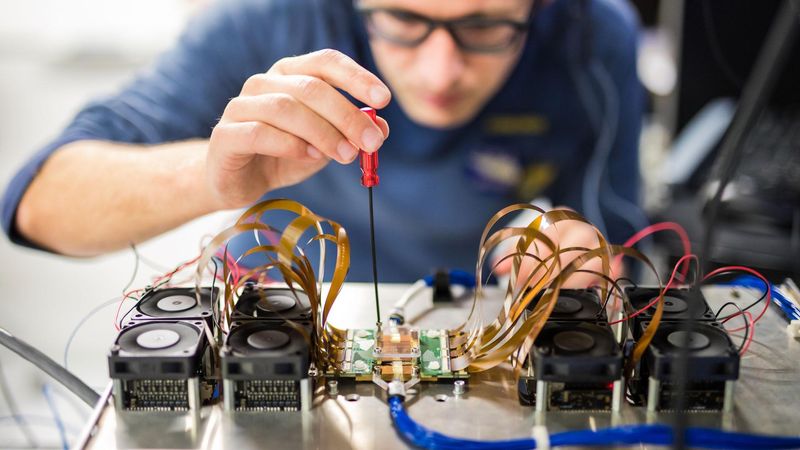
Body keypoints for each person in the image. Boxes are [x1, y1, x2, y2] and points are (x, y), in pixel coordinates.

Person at [1, 0, 643, 282]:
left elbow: (621, 240)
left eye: (486, 26)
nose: (441, 72)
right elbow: (35, 204)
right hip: (289, 342)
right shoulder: (262, 21)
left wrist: (579, 256)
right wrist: (210, 175)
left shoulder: (595, 36)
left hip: (488, 340)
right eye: (403, 19)